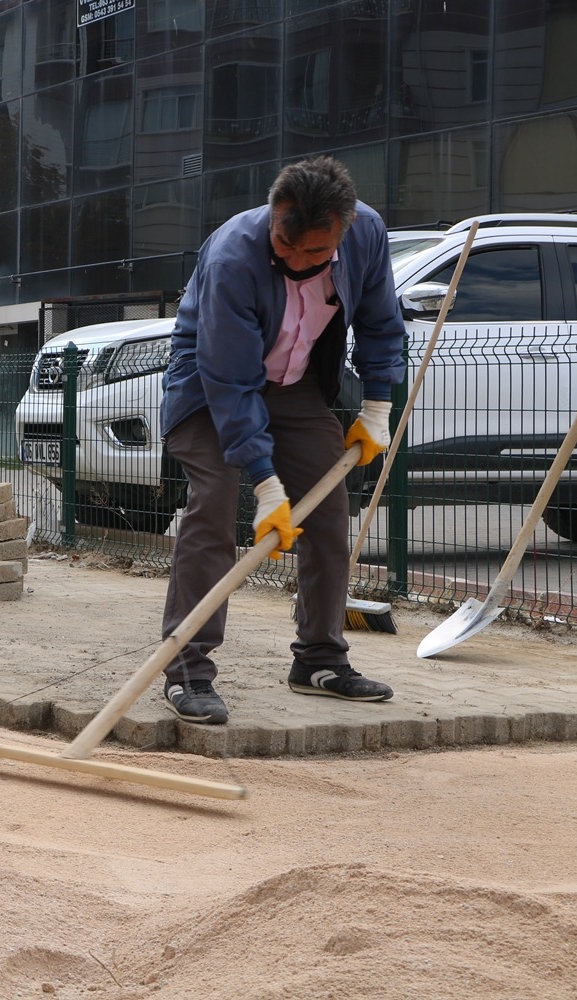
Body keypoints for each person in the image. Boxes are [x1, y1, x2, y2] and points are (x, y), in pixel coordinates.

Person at [158, 156, 406, 724]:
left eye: (314, 254)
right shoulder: (232, 258)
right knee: (215, 507)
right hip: (209, 387)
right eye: (284, 246)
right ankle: (187, 668)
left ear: (341, 229)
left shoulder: (366, 232)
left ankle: (319, 660)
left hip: (294, 387)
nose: (295, 262)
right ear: (274, 215)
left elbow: (378, 320)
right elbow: (230, 382)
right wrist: (267, 486)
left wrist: (376, 407)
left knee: (327, 509)